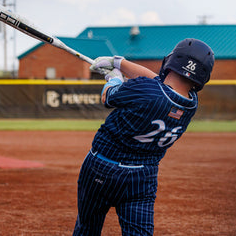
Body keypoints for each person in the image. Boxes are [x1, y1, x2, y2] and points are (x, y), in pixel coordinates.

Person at [73, 38, 214, 235]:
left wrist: (114, 78)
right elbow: (157, 83)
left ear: (173, 60)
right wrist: (119, 63)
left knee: (87, 228)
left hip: (101, 167)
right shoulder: (191, 104)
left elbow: (109, 96)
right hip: (143, 178)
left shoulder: (146, 90)